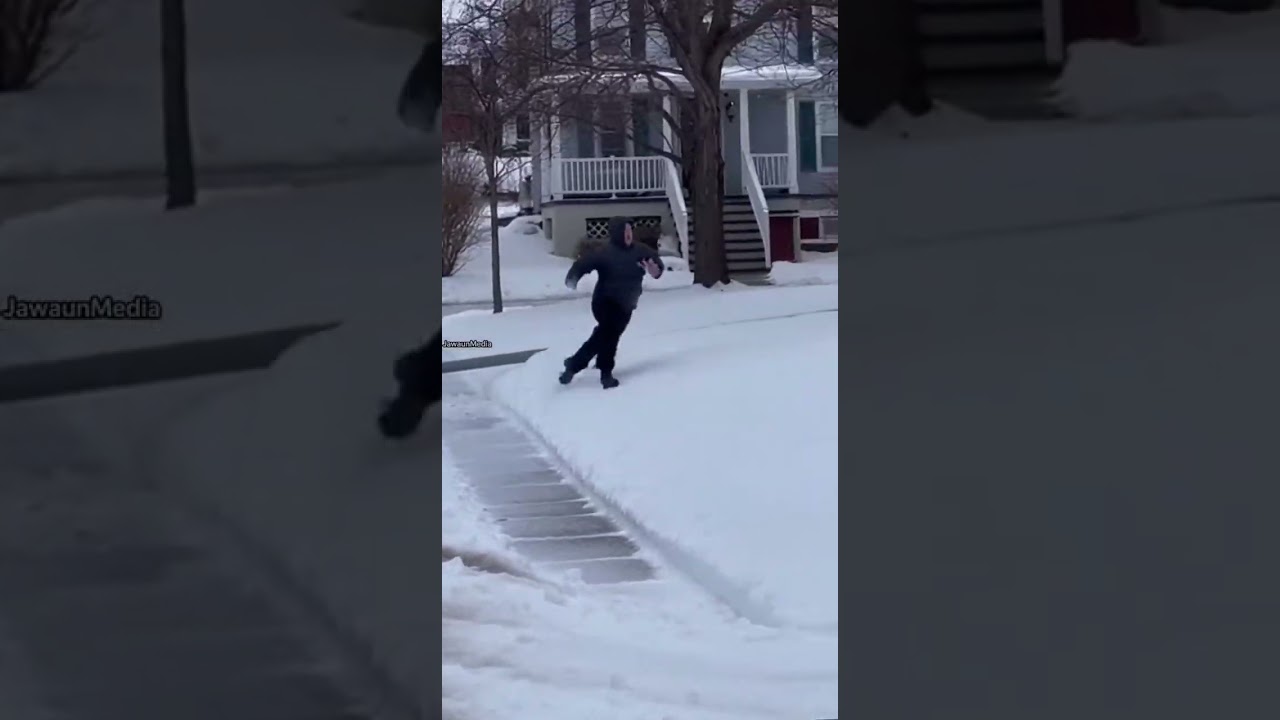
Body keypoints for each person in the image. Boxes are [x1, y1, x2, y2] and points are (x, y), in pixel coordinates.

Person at [559, 217, 664, 389]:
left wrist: (655, 270)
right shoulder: (605, 252)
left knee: (606, 336)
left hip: (627, 304)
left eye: (630, 231)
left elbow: (657, 268)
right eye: (625, 232)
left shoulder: (640, 251)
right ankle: (601, 373)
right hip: (604, 302)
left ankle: (574, 364)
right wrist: (572, 279)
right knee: (610, 332)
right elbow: (582, 265)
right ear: (617, 234)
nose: (629, 235)